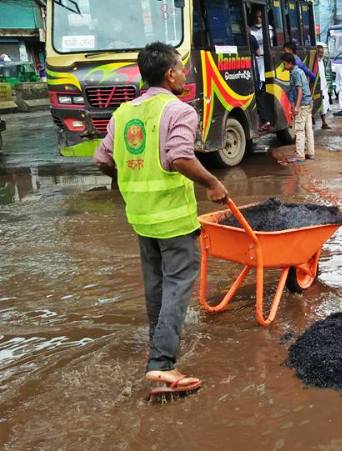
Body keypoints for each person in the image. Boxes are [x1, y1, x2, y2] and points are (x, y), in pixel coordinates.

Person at [92, 42, 229, 398]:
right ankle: (163, 365)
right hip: (173, 220)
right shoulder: (178, 110)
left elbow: (101, 159)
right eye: (182, 68)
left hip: (140, 216)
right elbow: (180, 157)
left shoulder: (123, 113)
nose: (185, 74)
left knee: (155, 286)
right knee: (177, 287)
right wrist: (213, 183)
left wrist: (127, 179)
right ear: (170, 74)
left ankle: (157, 351)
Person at [284, 53, 314, 163]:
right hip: (308, 103)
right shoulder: (299, 71)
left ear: (290, 63)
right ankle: (310, 153)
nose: (283, 66)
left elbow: (299, 90)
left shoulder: (296, 73)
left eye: (284, 64)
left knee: (299, 130)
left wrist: (296, 107)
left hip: (302, 104)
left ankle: (300, 155)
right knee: (308, 129)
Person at [249, 10, 271, 132]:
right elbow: (257, 52)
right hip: (256, 66)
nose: (258, 19)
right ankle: (265, 120)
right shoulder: (252, 34)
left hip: (262, 64)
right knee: (259, 93)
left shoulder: (269, 29)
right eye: (256, 17)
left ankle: (264, 120)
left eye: (260, 17)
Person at [316, 44, 331, 129]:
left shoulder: (322, 61)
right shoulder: (315, 63)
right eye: (319, 52)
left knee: (324, 104)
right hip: (317, 87)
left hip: (323, 86)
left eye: (322, 52)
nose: (321, 54)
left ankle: (324, 123)